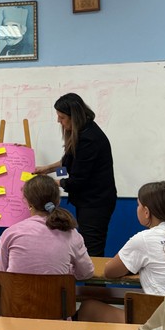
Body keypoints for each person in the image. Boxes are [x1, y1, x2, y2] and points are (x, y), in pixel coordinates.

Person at [78, 181, 165, 324]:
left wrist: (133, 267)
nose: (137, 208)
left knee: (88, 308)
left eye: (138, 205)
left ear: (146, 212)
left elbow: (109, 271)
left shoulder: (143, 239)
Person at [34, 93, 116, 255]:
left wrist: (49, 183)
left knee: (92, 250)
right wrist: (47, 169)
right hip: (88, 200)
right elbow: (69, 165)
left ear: (74, 117)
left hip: (95, 202)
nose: (59, 121)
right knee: (86, 247)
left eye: (62, 117)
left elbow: (77, 180)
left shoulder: (88, 140)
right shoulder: (83, 130)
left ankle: (94, 273)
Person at [0, 174, 94, 278]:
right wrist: (66, 269)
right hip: (57, 289)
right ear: (58, 201)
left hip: (16, 288)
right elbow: (86, 273)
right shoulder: (71, 234)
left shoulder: (10, 233)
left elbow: (0, 273)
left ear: (29, 203)